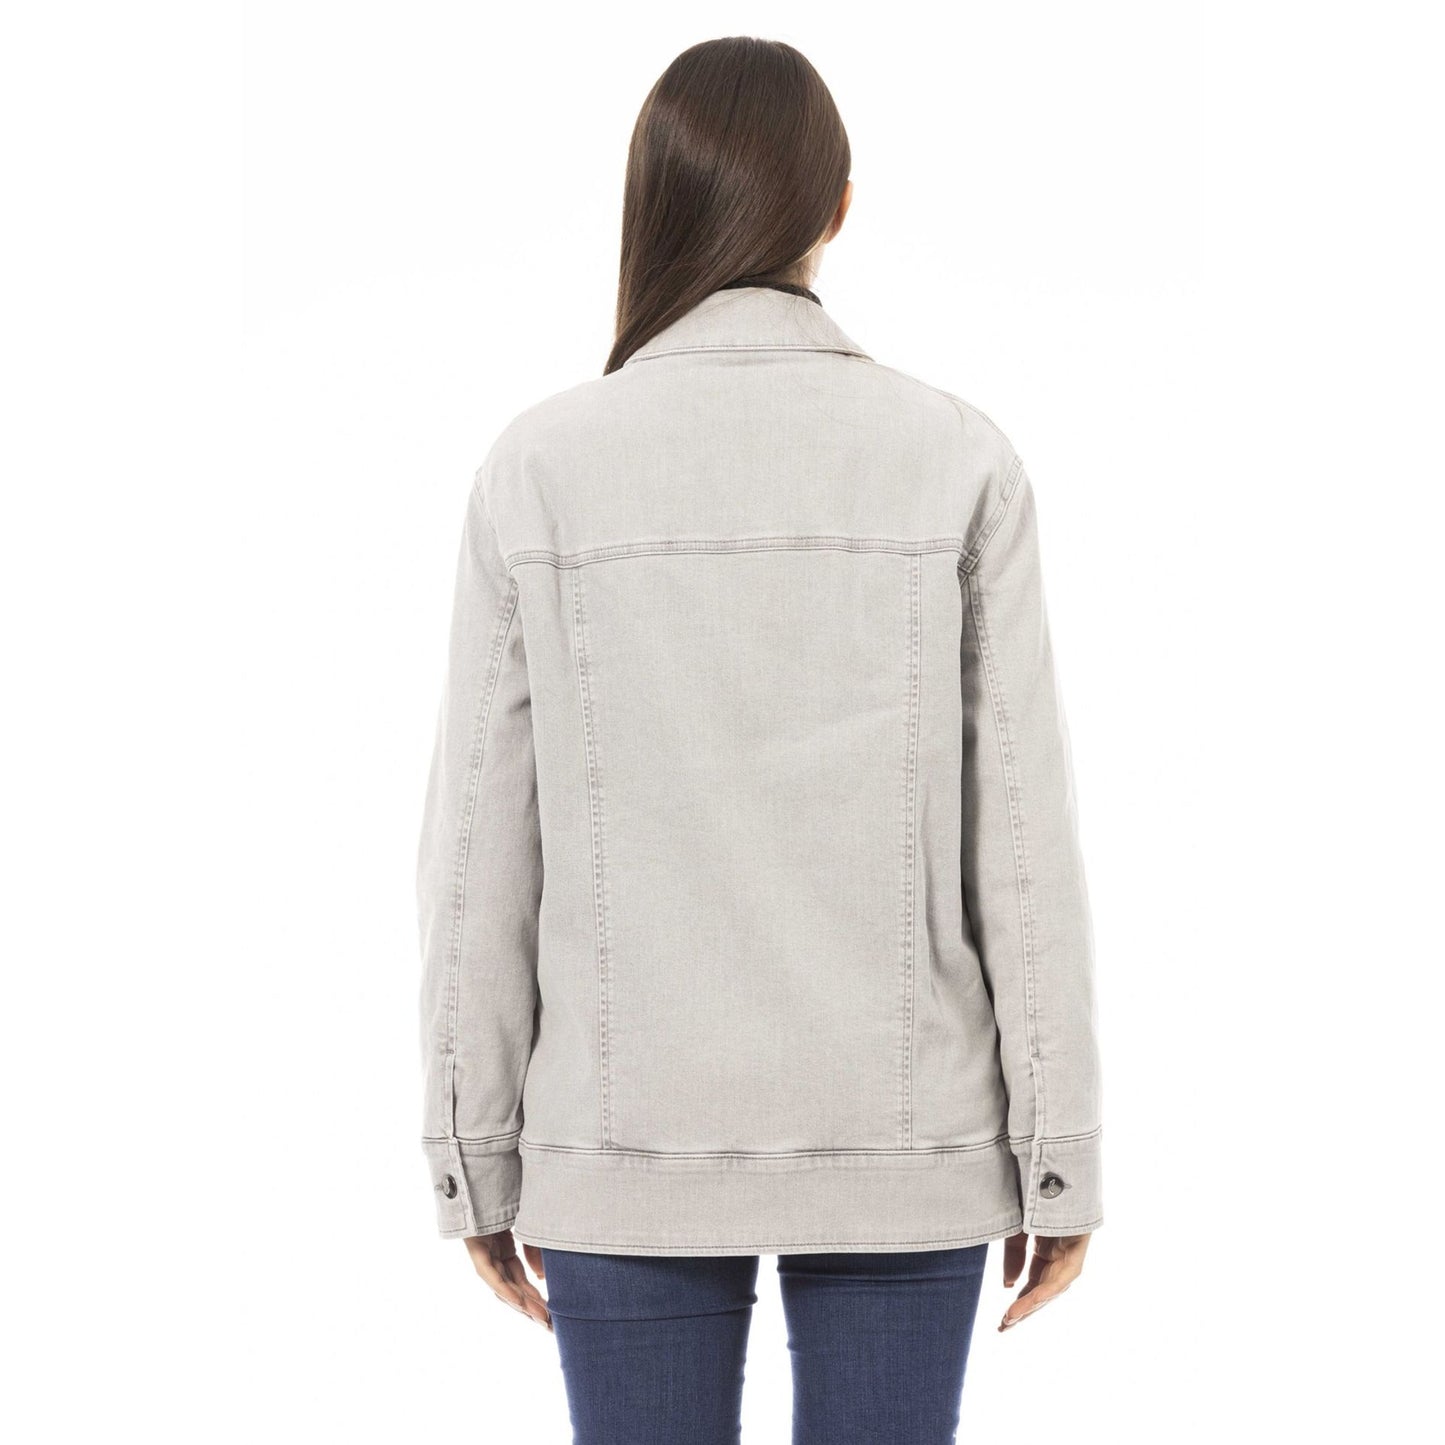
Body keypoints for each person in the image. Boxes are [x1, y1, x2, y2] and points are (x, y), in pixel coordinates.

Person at [415, 34, 1103, 1445]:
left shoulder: (541, 467)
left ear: (651, 202)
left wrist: (471, 1149)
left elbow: (477, 854)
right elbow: (1023, 844)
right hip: (907, 1144)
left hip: (622, 1140)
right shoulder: (954, 456)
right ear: (836, 207)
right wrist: (1057, 1153)